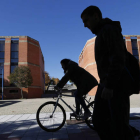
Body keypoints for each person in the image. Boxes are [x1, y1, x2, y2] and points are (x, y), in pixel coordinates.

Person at [81, 5, 139, 140]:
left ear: (96, 16)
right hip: (106, 84)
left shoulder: (109, 30)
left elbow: (118, 58)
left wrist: (110, 85)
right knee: (100, 121)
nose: (85, 25)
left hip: (115, 85)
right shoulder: (102, 33)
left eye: (86, 20)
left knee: (119, 125)